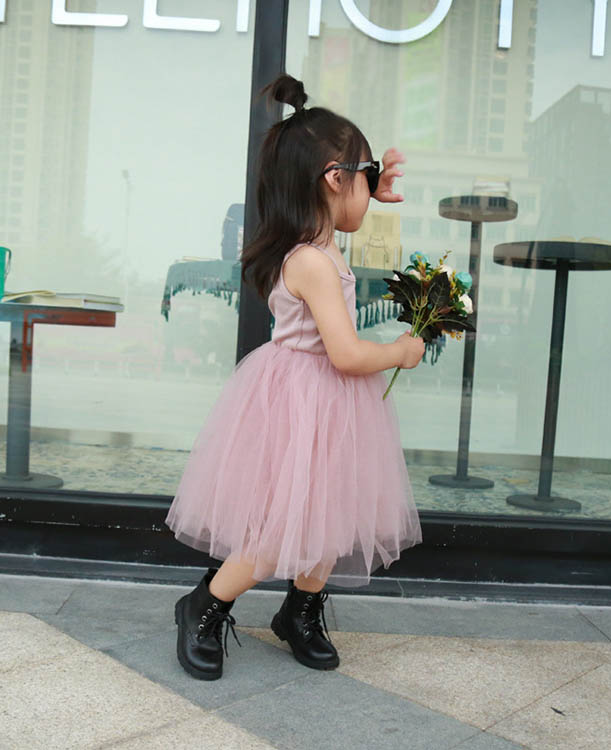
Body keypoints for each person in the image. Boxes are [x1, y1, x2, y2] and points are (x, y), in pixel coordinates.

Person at [165, 73, 425, 681]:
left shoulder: (319, 248)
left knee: (330, 515)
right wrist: (399, 351)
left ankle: (300, 612)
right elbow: (346, 354)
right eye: (365, 177)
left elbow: (347, 212)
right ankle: (204, 606)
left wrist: (368, 187)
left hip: (327, 403)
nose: (373, 191)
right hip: (307, 397)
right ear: (334, 179)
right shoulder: (311, 262)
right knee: (277, 525)